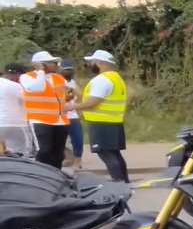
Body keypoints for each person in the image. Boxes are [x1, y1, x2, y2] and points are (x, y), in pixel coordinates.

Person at [66, 50, 129, 181]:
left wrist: (73, 106)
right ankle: (124, 181)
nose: (91, 65)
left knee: (105, 153)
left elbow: (94, 101)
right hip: (113, 121)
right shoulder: (116, 78)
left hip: (101, 123)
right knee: (114, 153)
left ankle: (118, 182)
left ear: (100, 63)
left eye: (92, 62)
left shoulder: (102, 80)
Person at [20, 51, 70, 168]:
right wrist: (41, 72)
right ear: (40, 64)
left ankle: (57, 176)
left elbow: (69, 90)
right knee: (44, 150)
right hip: (40, 120)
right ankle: (40, 174)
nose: (55, 64)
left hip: (61, 120)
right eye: (51, 62)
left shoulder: (58, 78)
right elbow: (38, 88)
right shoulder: (27, 77)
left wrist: (69, 96)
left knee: (58, 154)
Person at [0, 64, 33, 157]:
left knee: (3, 154)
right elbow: (28, 100)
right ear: (16, 74)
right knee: (22, 154)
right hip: (17, 124)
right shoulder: (17, 86)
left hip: (1, 123)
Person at [59, 61, 83, 169]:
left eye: (69, 70)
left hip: (72, 116)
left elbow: (77, 96)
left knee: (77, 139)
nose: (68, 72)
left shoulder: (72, 83)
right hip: (60, 115)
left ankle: (77, 162)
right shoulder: (56, 82)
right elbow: (67, 97)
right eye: (65, 70)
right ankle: (66, 158)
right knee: (60, 140)